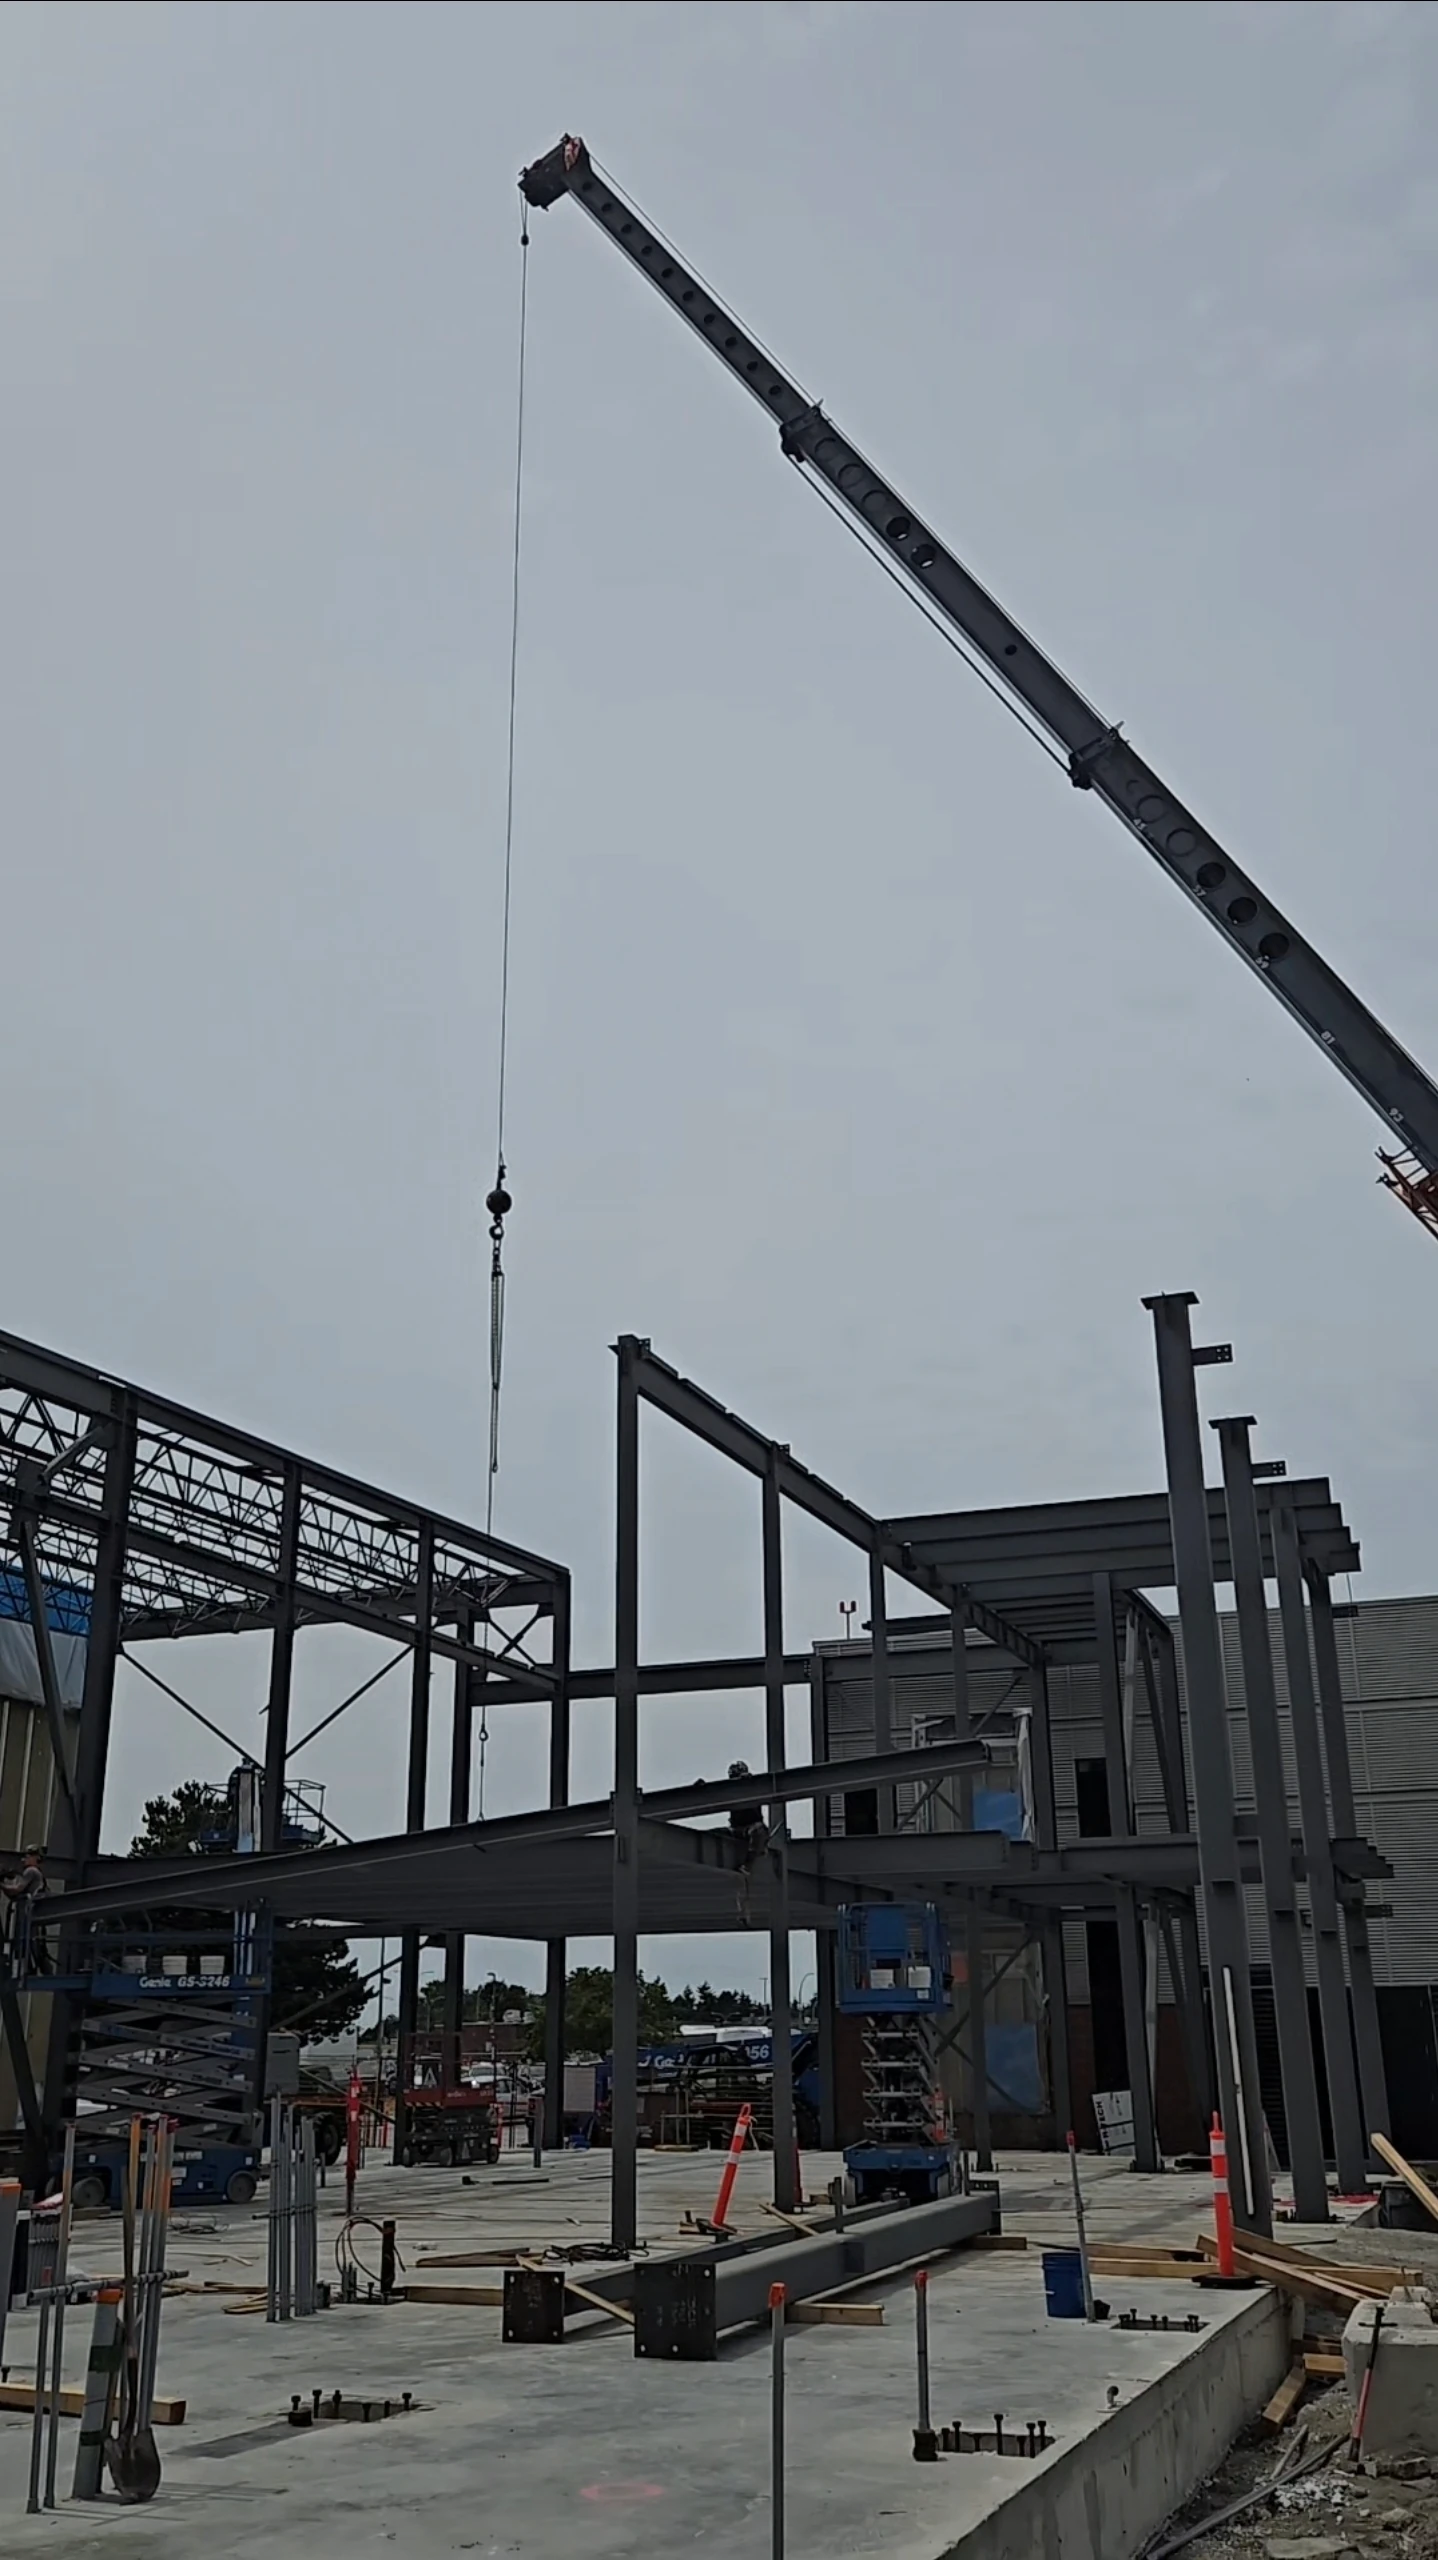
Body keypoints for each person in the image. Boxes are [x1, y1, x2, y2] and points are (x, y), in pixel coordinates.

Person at [1, 1844, 49, 1971]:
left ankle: (34, 1969)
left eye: (28, 1856)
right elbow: (14, 1895)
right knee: (31, 1944)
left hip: (28, 1913)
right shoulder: (35, 1873)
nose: (24, 1859)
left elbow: (16, 1890)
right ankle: (36, 1969)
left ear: (36, 1858)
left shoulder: (31, 1871)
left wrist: (2, 1885)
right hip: (28, 1914)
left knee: (28, 1943)